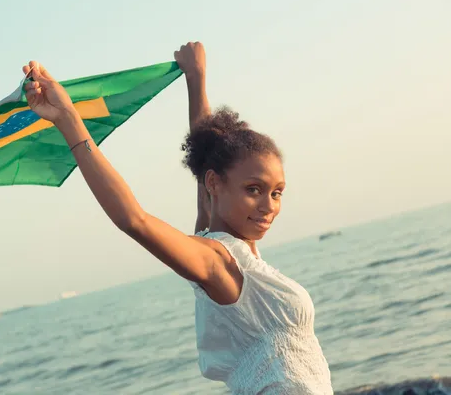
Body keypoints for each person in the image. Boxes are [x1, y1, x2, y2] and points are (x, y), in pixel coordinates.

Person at [22, 42, 333, 394]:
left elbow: (207, 152)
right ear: (215, 183)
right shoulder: (218, 261)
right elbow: (133, 220)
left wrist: (196, 79)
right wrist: (68, 119)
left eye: (277, 192)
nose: (268, 205)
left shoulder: (234, 252)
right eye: (254, 189)